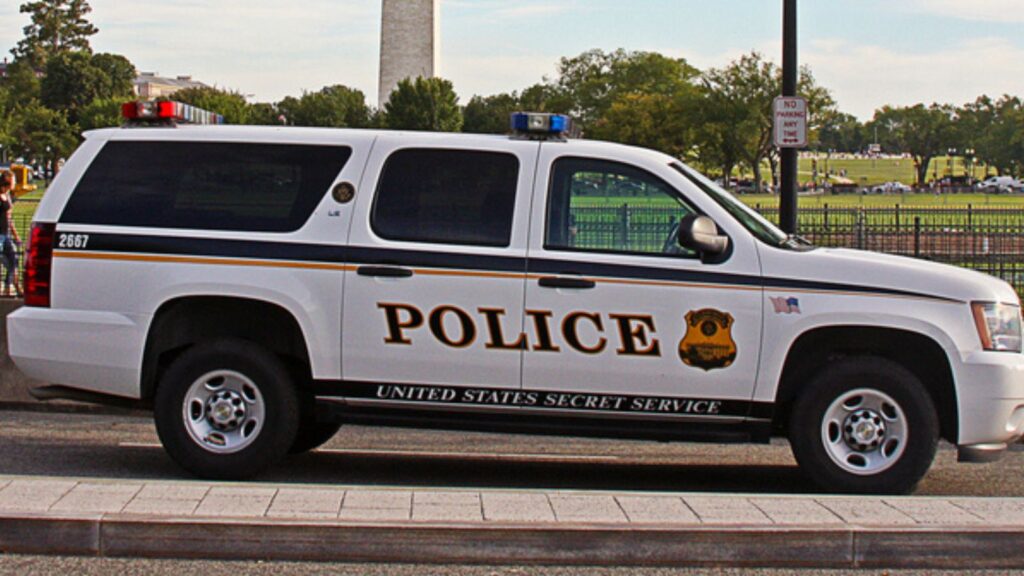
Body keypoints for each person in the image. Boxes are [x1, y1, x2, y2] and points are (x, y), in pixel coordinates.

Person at [0, 171, 22, 297]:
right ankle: (12, 287)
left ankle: (9, 287)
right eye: (14, 181)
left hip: (5, 234)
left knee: (13, 259)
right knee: (5, 261)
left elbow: (9, 218)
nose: (15, 183)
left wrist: (15, 235)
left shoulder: (7, 196)